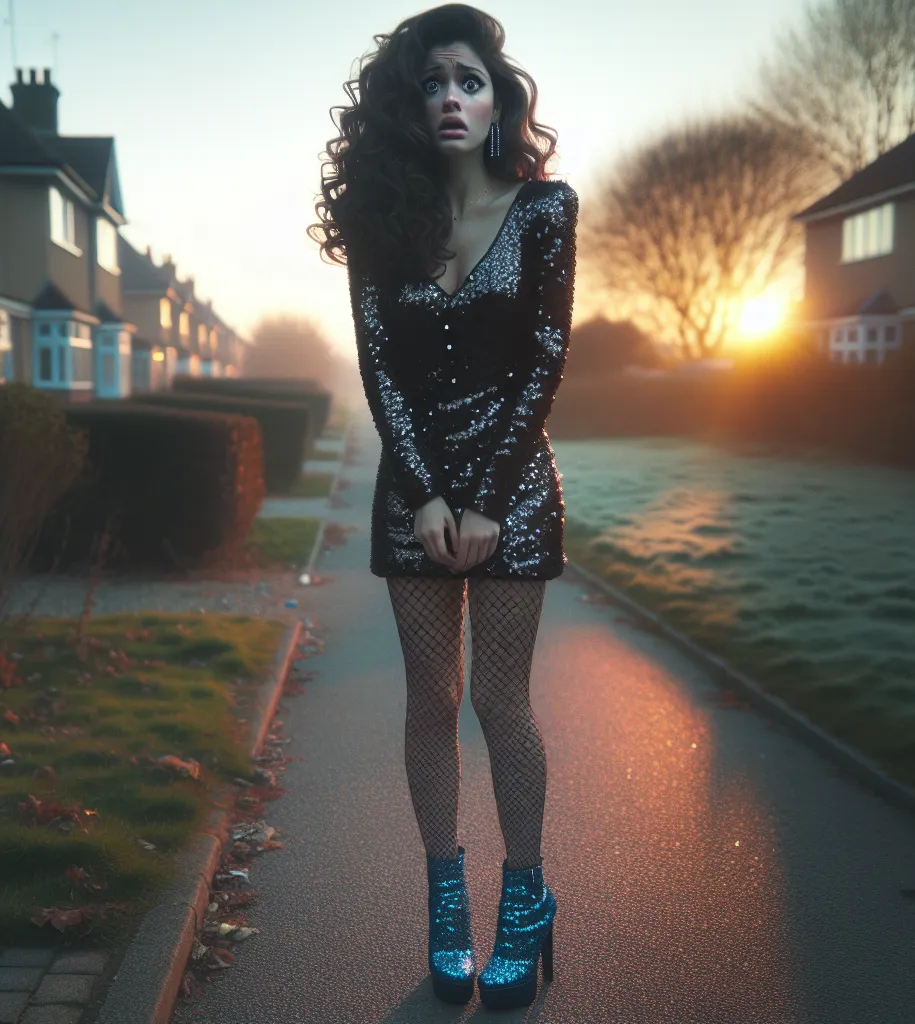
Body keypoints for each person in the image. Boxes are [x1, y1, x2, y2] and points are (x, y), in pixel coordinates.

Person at [308, 2, 577, 1011]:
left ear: (498, 96)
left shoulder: (547, 209)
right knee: (428, 702)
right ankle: (446, 907)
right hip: (410, 502)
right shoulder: (384, 222)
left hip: (514, 494)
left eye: (468, 79)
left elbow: (545, 362)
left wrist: (485, 499)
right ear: (404, 107)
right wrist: (425, 495)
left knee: (499, 704)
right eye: (430, 83)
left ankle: (525, 900)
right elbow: (381, 370)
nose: (451, 98)